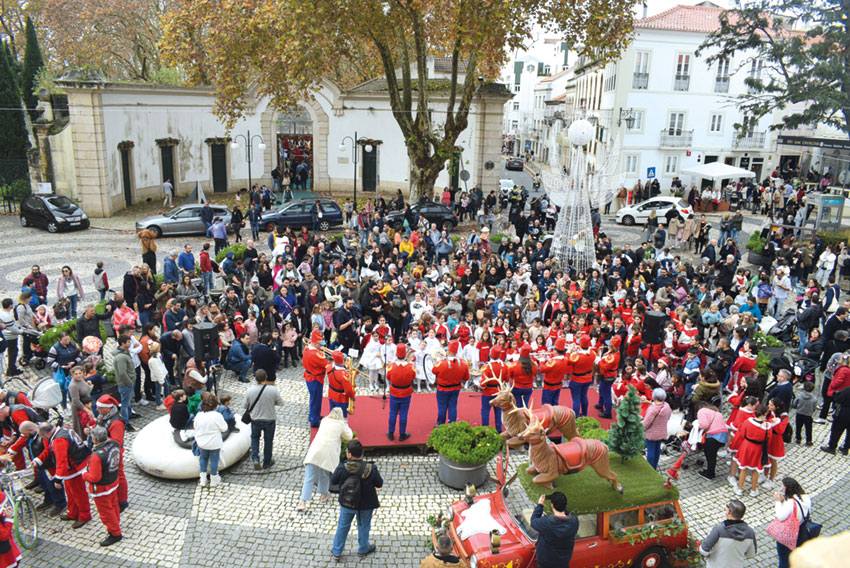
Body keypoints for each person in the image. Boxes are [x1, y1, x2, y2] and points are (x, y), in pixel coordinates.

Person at [330, 439, 382, 561]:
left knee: (343, 526)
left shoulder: (343, 468)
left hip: (347, 503)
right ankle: (363, 549)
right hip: (366, 504)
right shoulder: (371, 468)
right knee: (364, 526)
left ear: (349, 454)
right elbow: (379, 483)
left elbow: (333, 481)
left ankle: (337, 551)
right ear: (361, 453)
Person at [33, 422, 91, 529]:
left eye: (42, 435)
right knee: (70, 491)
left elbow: (62, 462)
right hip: (76, 463)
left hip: (74, 467)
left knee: (78, 493)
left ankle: (84, 515)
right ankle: (73, 512)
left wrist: (58, 480)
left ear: (46, 433)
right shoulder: (65, 428)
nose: (42, 438)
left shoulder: (59, 441)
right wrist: (39, 460)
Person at [298, 407, 353, 512]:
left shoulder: (324, 420)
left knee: (309, 477)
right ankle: (323, 495)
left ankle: (303, 502)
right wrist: (346, 424)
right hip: (328, 453)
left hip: (315, 451)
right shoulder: (341, 425)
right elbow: (349, 436)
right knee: (325, 472)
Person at [83, 426, 123, 546]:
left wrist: (85, 475)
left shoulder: (97, 456)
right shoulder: (114, 444)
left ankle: (115, 532)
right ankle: (116, 523)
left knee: (106, 511)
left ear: (95, 440)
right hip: (113, 481)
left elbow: (94, 477)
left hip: (101, 488)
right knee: (114, 505)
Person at [244, 369, 284, 470]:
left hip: (255, 420)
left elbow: (245, 405)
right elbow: (281, 403)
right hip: (269, 419)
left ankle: (255, 458)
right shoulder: (273, 390)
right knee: (268, 441)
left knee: (255, 438)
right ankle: (267, 462)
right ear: (266, 378)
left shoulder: (250, 390)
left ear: (255, 379)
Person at [95, 395, 129, 511]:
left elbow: (117, 442)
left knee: (119, 475)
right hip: (106, 451)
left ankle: (123, 501)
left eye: (100, 408)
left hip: (114, 453)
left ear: (108, 408)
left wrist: (100, 437)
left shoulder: (117, 423)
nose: (97, 410)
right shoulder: (103, 416)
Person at [698, 499, 756, 568]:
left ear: (728, 511)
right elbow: (751, 554)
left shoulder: (718, 530)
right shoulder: (750, 532)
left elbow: (703, 550)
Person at [771, 477, 812, 568]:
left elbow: (781, 516)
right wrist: (783, 501)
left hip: (789, 533)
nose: (781, 487)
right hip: (801, 530)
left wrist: (778, 502)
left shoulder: (791, 503)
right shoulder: (806, 498)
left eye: (783, 486)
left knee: (784, 559)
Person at [530, 491, 579, 568]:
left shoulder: (547, 523)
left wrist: (540, 505)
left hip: (546, 563)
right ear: (565, 505)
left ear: (552, 505)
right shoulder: (575, 521)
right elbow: (566, 515)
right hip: (563, 563)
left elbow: (533, 521)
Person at [195, 392, 228, 487]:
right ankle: (214, 479)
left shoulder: (199, 415)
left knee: (203, 458)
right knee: (214, 460)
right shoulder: (217, 416)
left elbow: (195, 427)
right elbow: (224, 428)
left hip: (202, 442)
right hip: (214, 443)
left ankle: (203, 479)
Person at [433, 340, 469, 425]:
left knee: (442, 407)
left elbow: (434, 371)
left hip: (443, 389)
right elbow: (466, 377)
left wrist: (439, 360)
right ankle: (452, 424)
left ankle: (440, 423)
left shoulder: (441, 363)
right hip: (456, 388)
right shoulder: (463, 363)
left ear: (448, 351)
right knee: (453, 406)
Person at [386, 343, 415, 441]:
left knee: (393, 413)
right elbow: (413, 377)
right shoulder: (411, 366)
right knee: (403, 414)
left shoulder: (391, 366)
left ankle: (391, 432)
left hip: (394, 392)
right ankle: (402, 434)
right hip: (406, 392)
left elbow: (388, 377)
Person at [302, 330, 328, 427]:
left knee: (313, 398)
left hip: (310, 376)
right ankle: (314, 421)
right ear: (316, 343)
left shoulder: (307, 348)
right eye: (320, 344)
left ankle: (313, 415)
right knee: (316, 400)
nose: (322, 346)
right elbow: (327, 365)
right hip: (315, 378)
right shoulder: (316, 354)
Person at [642, 388, 672, 470]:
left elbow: (646, 423)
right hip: (661, 432)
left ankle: (650, 469)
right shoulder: (667, 406)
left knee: (650, 451)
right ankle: (654, 466)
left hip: (651, 434)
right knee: (657, 450)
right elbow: (668, 417)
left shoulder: (652, 409)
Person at [113, 335, 136, 429]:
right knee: (125, 403)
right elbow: (122, 372)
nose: (130, 343)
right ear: (123, 343)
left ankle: (130, 414)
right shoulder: (121, 357)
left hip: (128, 382)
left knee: (128, 400)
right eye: (128, 342)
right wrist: (129, 382)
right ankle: (126, 422)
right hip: (126, 384)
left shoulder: (124, 353)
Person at [327, 350, 356, 418]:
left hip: (331, 394)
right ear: (342, 361)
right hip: (341, 398)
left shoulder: (329, 367)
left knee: (332, 414)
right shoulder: (344, 376)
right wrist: (353, 396)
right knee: (342, 417)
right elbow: (348, 391)